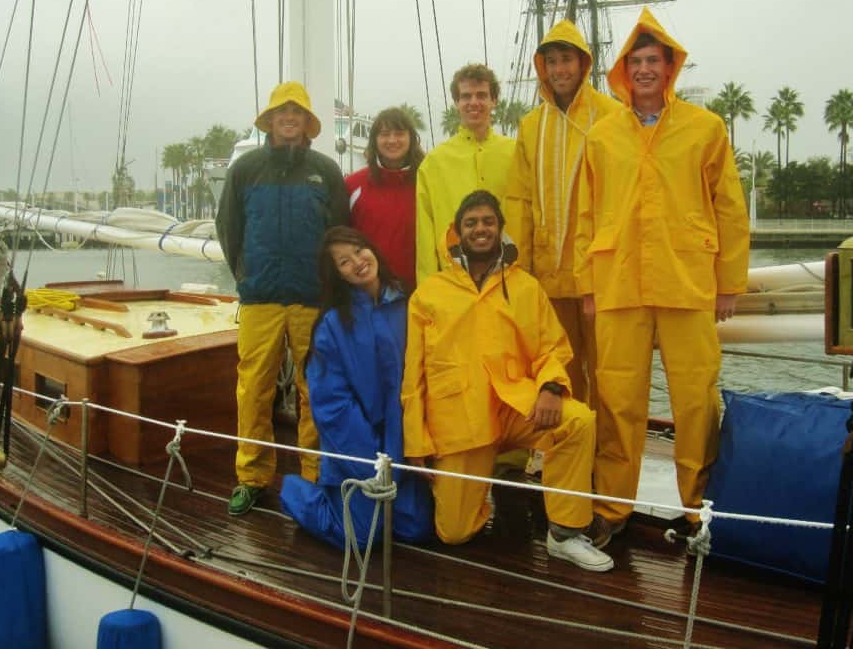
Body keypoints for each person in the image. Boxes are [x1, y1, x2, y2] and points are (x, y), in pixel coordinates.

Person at [575, 8, 750, 546]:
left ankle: (697, 513)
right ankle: (612, 508)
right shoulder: (602, 136)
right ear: (624, 71)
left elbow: (729, 208)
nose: (646, 69)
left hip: (687, 282)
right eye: (637, 61)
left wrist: (728, 283)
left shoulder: (706, 128)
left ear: (670, 68)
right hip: (620, 284)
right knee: (617, 400)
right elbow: (586, 213)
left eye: (655, 60)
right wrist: (588, 285)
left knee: (696, 401)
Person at [401, 190, 612, 572]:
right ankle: (469, 489)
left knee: (578, 421)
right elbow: (413, 374)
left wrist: (550, 387)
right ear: (457, 232)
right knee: (455, 533)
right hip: (459, 419)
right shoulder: (430, 293)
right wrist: (417, 439)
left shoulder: (526, 286)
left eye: (488, 222)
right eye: (471, 223)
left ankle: (564, 533)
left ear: (499, 229)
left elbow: (552, 347)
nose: (480, 229)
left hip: (515, 405)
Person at [216, 81, 349, 517]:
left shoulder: (326, 172)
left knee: (316, 391)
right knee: (253, 389)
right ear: (270, 120)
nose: (288, 119)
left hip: (312, 298)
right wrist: (245, 273)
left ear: (307, 123)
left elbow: (339, 234)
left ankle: (315, 475)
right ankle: (252, 476)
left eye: (296, 113)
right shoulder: (245, 169)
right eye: (281, 113)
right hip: (260, 299)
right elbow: (229, 229)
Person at [279, 227, 433, 548]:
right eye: (344, 262)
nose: (358, 262)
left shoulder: (408, 303)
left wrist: (413, 448)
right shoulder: (331, 326)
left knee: (418, 529)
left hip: (403, 446)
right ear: (338, 276)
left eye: (360, 250)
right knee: (364, 537)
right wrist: (371, 466)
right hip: (357, 452)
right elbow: (333, 407)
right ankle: (298, 493)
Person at [505, 19, 623, 405]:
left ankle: (607, 463)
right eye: (552, 61)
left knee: (610, 372)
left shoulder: (611, 116)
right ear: (542, 67)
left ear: (583, 63)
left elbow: (621, 198)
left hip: (601, 277)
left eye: (567, 59)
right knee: (561, 372)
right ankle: (571, 454)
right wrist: (519, 271)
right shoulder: (530, 125)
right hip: (548, 278)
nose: (560, 69)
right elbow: (520, 201)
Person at [415, 64, 515, 285]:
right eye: (466, 96)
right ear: (456, 102)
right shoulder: (434, 163)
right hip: (454, 280)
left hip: (509, 277)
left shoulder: (516, 154)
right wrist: (428, 287)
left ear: (494, 100)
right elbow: (425, 233)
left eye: (481, 95)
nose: (473, 103)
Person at [344, 107, 426, 292]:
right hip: (369, 292)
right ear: (374, 140)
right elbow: (341, 241)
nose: (392, 140)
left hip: (417, 292)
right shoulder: (352, 185)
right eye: (384, 134)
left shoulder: (428, 183)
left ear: (411, 138)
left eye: (399, 134)